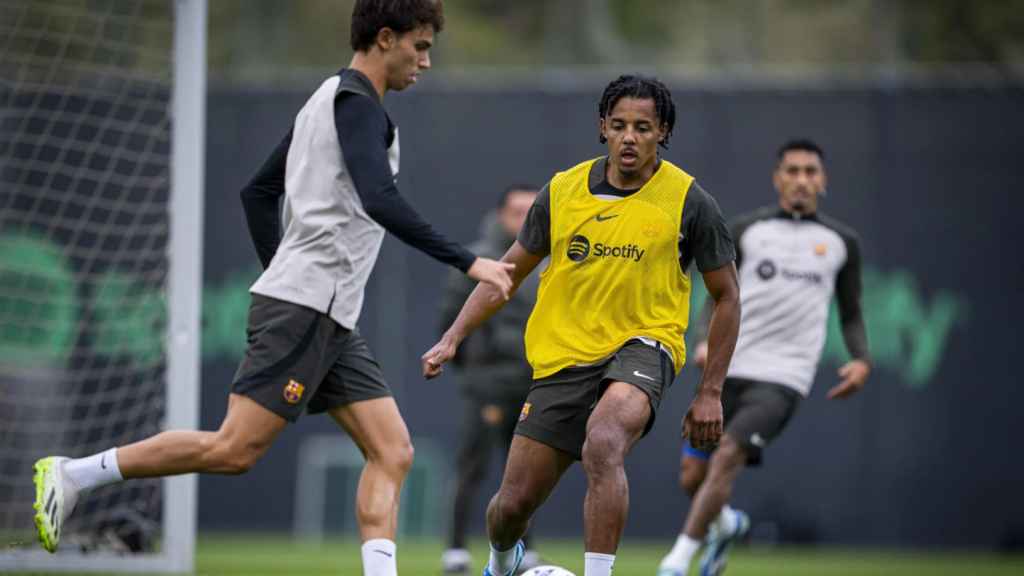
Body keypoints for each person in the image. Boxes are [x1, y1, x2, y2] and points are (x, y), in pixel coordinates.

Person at [32, 2, 516, 575]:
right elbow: (378, 199)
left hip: (323, 310)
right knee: (234, 450)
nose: (427, 60)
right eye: (421, 45)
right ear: (386, 38)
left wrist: (282, 270)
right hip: (307, 306)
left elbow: (258, 192)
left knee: (392, 451)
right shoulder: (360, 106)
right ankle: (75, 474)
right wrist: (470, 262)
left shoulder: (325, 99)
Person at [421, 74, 741, 576]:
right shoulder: (563, 191)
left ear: (664, 132)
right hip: (563, 357)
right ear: (602, 128)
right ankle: (503, 565)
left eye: (643, 127)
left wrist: (710, 391)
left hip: (645, 345)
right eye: (619, 125)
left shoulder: (690, 201)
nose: (629, 137)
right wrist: (451, 337)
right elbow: (504, 274)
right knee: (510, 509)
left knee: (605, 439)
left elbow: (726, 296)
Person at [656, 139, 871, 576]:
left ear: (822, 180)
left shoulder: (840, 242)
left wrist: (861, 359)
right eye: (792, 171)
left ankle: (677, 562)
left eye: (810, 172)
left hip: (783, 377)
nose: (801, 180)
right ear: (777, 178)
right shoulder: (747, 229)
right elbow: (717, 296)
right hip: (726, 368)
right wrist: (702, 339)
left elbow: (851, 312)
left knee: (729, 453)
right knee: (691, 479)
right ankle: (727, 523)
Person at [438, 185, 543, 575]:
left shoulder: (549, 260)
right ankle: (455, 550)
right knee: (472, 467)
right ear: (500, 214)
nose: (523, 219)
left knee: (525, 472)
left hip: (532, 383)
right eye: (517, 211)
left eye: (531, 211)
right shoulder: (477, 258)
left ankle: (526, 549)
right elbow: (451, 317)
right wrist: (476, 370)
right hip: (487, 383)